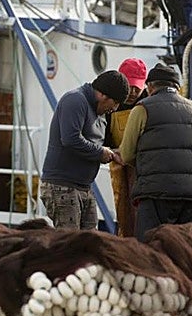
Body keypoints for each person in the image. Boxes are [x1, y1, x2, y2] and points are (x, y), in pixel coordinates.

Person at [118, 63, 192, 242]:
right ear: (178, 87)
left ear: (150, 87)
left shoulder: (142, 108)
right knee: (187, 249)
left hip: (156, 191)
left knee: (151, 250)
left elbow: (127, 154)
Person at [39, 70, 130, 230]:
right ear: (102, 95)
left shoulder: (100, 112)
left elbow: (96, 143)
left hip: (84, 187)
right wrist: (100, 153)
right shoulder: (75, 100)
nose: (115, 108)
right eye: (115, 103)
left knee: (89, 245)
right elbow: (70, 139)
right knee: (70, 246)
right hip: (63, 186)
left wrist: (113, 152)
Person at [104, 58, 148, 237]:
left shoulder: (148, 103)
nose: (133, 91)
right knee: (125, 218)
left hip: (144, 169)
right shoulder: (110, 106)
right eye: (130, 86)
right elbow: (104, 139)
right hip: (119, 168)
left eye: (138, 87)